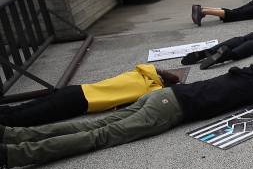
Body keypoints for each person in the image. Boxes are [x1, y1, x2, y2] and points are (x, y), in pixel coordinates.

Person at [0, 61, 253, 169]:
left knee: (95, 125)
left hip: (158, 96)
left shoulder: (235, 74)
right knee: (99, 137)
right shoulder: (252, 85)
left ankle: (13, 135)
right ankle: (16, 155)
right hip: (168, 111)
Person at [0, 64, 180, 127]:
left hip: (76, 90)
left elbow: (148, 66)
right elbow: (160, 99)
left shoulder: (141, 72)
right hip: (81, 102)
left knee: (21, 109)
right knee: (23, 118)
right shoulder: (152, 90)